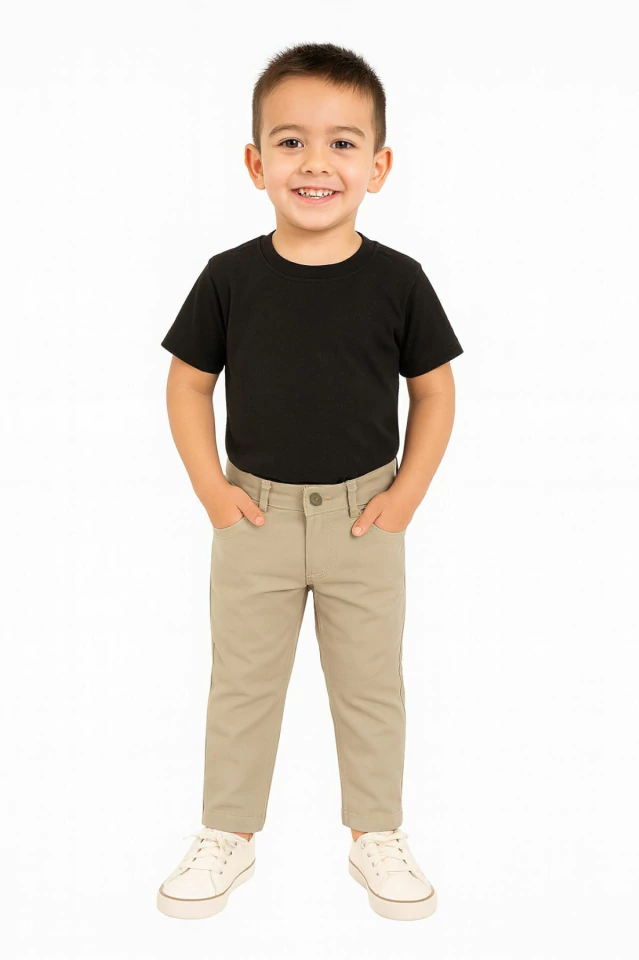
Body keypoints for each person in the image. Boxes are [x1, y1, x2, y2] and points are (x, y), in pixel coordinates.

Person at [156, 42, 463, 923]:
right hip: (253, 516)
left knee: (370, 686)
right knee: (242, 683)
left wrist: (405, 497)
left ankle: (377, 833)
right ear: (256, 164)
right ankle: (228, 832)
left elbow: (435, 390)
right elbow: (187, 383)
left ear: (379, 166)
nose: (315, 163)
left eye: (342, 143)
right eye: (290, 142)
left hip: (367, 519)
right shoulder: (229, 277)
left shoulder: (399, 281)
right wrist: (213, 492)